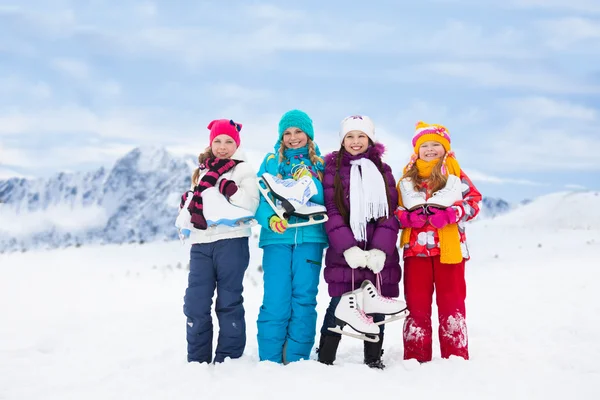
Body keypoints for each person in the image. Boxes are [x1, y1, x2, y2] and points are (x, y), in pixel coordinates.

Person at [317, 115, 401, 369]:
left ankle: (373, 358)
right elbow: (331, 210)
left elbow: (389, 212)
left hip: (377, 251)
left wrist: (379, 249)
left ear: (370, 139)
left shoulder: (383, 171)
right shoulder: (331, 170)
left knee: (375, 304)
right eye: (349, 136)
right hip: (346, 250)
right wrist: (348, 247)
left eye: (361, 136)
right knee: (341, 303)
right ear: (342, 140)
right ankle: (325, 358)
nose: (355, 142)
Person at [395, 121, 482, 363]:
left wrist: (452, 213)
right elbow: (395, 208)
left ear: (445, 149)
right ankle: (415, 356)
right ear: (417, 149)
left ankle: (455, 356)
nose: (430, 149)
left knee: (452, 303)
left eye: (436, 144)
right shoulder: (406, 178)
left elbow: (474, 201)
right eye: (425, 145)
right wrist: (406, 217)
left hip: (450, 250)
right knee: (416, 305)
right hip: (416, 251)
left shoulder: (454, 174)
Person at [177, 119, 259, 364]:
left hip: (231, 241)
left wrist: (227, 187)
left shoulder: (243, 169)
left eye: (229, 141)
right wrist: (188, 202)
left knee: (229, 301)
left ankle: (229, 359)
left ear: (237, 144)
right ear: (211, 143)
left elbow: (250, 204)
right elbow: (204, 203)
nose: (223, 147)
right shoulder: (202, 170)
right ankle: (198, 360)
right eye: (218, 141)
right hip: (201, 242)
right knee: (195, 302)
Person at [255, 109, 328, 364]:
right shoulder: (271, 162)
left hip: (310, 239)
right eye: (287, 133)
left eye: (298, 131)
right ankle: (269, 360)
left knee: (304, 300)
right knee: (275, 299)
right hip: (277, 239)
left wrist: (308, 179)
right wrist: (269, 219)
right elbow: (260, 196)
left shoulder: (320, 164)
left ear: (308, 134)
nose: (293, 137)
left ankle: (297, 360)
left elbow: (325, 198)